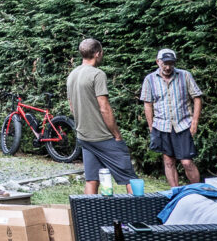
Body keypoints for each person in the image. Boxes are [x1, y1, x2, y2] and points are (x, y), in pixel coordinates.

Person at [67, 38, 137, 194]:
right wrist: (117, 135)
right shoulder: (97, 74)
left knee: (92, 179)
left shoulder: (72, 74)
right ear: (97, 53)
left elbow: (72, 106)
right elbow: (104, 108)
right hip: (103, 137)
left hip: (84, 136)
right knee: (130, 178)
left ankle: (87, 217)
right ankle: (138, 217)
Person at [140, 48, 203, 187]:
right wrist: (151, 127)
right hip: (161, 126)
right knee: (168, 162)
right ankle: (175, 193)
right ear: (158, 62)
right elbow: (147, 104)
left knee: (186, 162)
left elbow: (197, 98)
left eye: (171, 63)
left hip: (183, 124)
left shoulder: (185, 75)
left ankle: (198, 191)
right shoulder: (149, 79)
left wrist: (195, 122)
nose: (168, 67)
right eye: (165, 63)